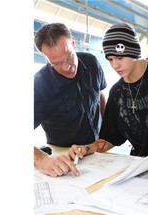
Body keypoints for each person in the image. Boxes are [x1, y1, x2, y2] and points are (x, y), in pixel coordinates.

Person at [69, 23, 148, 161]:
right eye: (110, 59)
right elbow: (109, 139)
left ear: (134, 51)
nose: (115, 65)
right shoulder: (117, 93)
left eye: (119, 58)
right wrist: (85, 149)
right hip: (140, 165)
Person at [34, 22, 107, 177]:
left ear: (73, 43)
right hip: (63, 155)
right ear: (45, 57)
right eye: (57, 63)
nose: (67, 67)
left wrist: (107, 133)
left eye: (69, 57)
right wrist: (41, 160)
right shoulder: (40, 84)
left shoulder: (92, 63)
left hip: (96, 148)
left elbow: (100, 95)